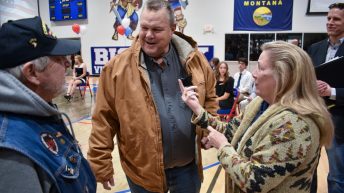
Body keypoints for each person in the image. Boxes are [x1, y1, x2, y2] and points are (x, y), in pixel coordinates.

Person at [87, 0, 218, 192]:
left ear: (172, 29)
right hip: (142, 174)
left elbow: (210, 98)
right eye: (144, 27)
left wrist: (208, 128)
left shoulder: (194, 59)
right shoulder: (117, 69)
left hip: (188, 170)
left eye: (156, 29)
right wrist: (100, 162)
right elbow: (103, 119)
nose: (148, 35)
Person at [180, 41, 334, 193]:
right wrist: (197, 108)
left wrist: (222, 146)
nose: (254, 73)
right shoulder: (260, 103)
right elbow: (230, 130)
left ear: (283, 76)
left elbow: (254, 182)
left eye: (260, 67)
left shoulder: (295, 124)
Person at [0, 17, 96, 193]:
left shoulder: (39, 112)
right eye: (58, 58)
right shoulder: (10, 152)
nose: (67, 63)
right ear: (32, 72)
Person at [307, 3, 344, 193]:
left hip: (339, 121)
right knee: (307, 172)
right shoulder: (314, 48)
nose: (330, 22)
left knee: (337, 177)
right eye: (328, 18)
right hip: (311, 117)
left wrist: (332, 91)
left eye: (336, 19)